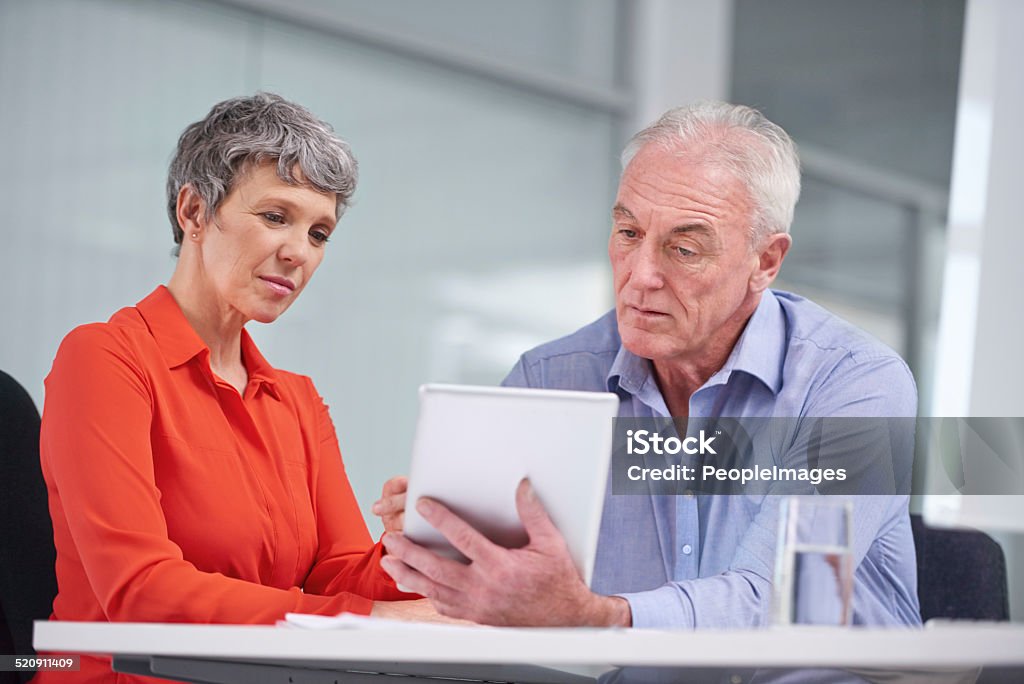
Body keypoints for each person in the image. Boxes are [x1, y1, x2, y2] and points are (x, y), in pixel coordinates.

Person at [375, 101, 922, 629]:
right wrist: (440, 541)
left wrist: (596, 615)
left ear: (766, 261)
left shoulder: (855, 384)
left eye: (684, 249)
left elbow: (786, 598)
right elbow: (498, 592)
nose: (640, 277)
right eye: (629, 233)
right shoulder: (550, 379)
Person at [38, 93, 438, 684]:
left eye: (320, 232)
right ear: (194, 212)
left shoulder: (298, 400)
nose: (298, 251)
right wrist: (371, 617)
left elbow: (337, 576)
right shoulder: (104, 358)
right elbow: (140, 591)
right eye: (276, 217)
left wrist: (409, 552)